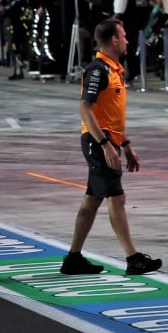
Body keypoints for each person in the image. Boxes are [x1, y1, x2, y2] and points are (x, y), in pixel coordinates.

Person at [60, 19, 161, 277]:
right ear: (114, 40)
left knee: (92, 200)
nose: (127, 40)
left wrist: (126, 144)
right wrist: (105, 144)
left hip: (108, 140)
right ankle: (133, 258)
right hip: (98, 142)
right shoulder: (98, 70)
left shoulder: (115, 69)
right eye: (124, 36)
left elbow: (110, 115)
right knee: (117, 197)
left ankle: (73, 258)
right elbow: (86, 109)